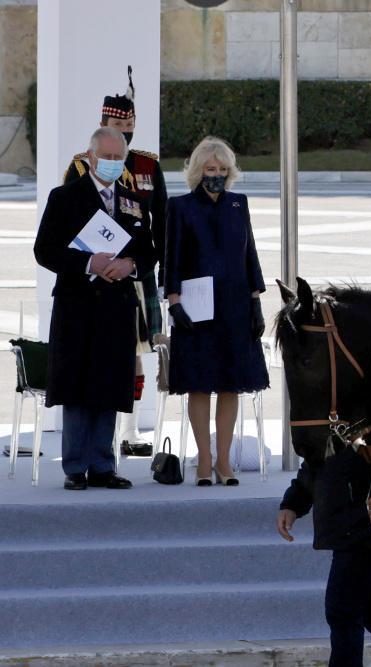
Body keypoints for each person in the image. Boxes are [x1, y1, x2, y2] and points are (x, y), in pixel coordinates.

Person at [34, 126, 155, 490]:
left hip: (117, 306)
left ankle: (103, 465)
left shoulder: (133, 201)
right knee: (77, 384)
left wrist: (130, 265)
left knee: (109, 382)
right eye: (106, 157)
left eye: (119, 158)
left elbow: (148, 252)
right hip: (77, 305)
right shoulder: (65, 197)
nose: (113, 163)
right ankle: (75, 466)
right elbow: (45, 250)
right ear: (90, 157)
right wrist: (89, 262)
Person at [63, 67, 168, 454]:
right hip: (92, 274)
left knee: (134, 351)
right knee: (97, 353)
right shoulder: (80, 165)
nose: (124, 130)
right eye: (117, 124)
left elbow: (162, 222)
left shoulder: (147, 166)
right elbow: (68, 222)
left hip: (135, 273)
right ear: (103, 123)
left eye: (129, 124)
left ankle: (129, 430)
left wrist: (161, 270)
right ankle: (91, 444)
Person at [164, 137, 268, 486]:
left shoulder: (239, 204)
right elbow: (172, 256)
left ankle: (224, 461)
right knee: (199, 384)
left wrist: (256, 301)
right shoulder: (180, 207)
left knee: (230, 384)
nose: (217, 174)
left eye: (223, 169)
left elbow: (249, 253)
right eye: (211, 168)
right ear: (198, 170)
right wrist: (174, 301)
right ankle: (204, 460)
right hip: (196, 308)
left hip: (236, 306)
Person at [277, 449, 371, 666]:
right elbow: (316, 456)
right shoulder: (329, 434)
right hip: (355, 523)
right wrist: (293, 503)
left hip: (366, 522)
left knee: (345, 610)